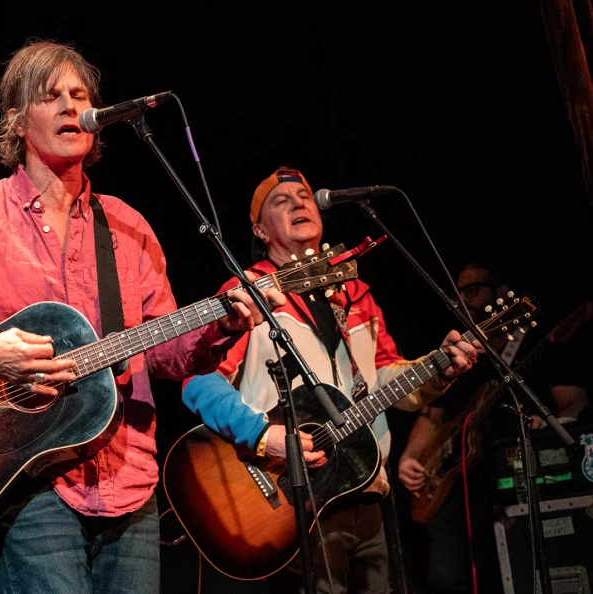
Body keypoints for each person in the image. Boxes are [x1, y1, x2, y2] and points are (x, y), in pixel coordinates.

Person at [0, 39, 280, 594]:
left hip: (131, 481)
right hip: (30, 485)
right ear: (17, 120)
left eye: (81, 96)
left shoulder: (128, 228)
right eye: (52, 97)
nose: (73, 107)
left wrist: (221, 324)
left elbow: (166, 355)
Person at [179, 166, 481, 594]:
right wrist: (264, 436)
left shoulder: (356, 293)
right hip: (291, 499)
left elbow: (386, 379)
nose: (299, 203)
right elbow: (197, 381)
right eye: (281, 203)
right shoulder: (245, 293)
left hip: (366, 488)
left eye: (303, 196)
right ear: (261, 231)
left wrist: (438, 371)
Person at [397, 260, 591, 594]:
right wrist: (410, 458)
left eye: (473, 289)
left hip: (512, 476)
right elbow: (431, 415)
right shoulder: (457, 354)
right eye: (459, 295)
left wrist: (547, 428)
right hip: (453, 485)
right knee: (446, 578)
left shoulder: (533, 345)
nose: (465, 301)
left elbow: (573, 401)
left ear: (501, 294)